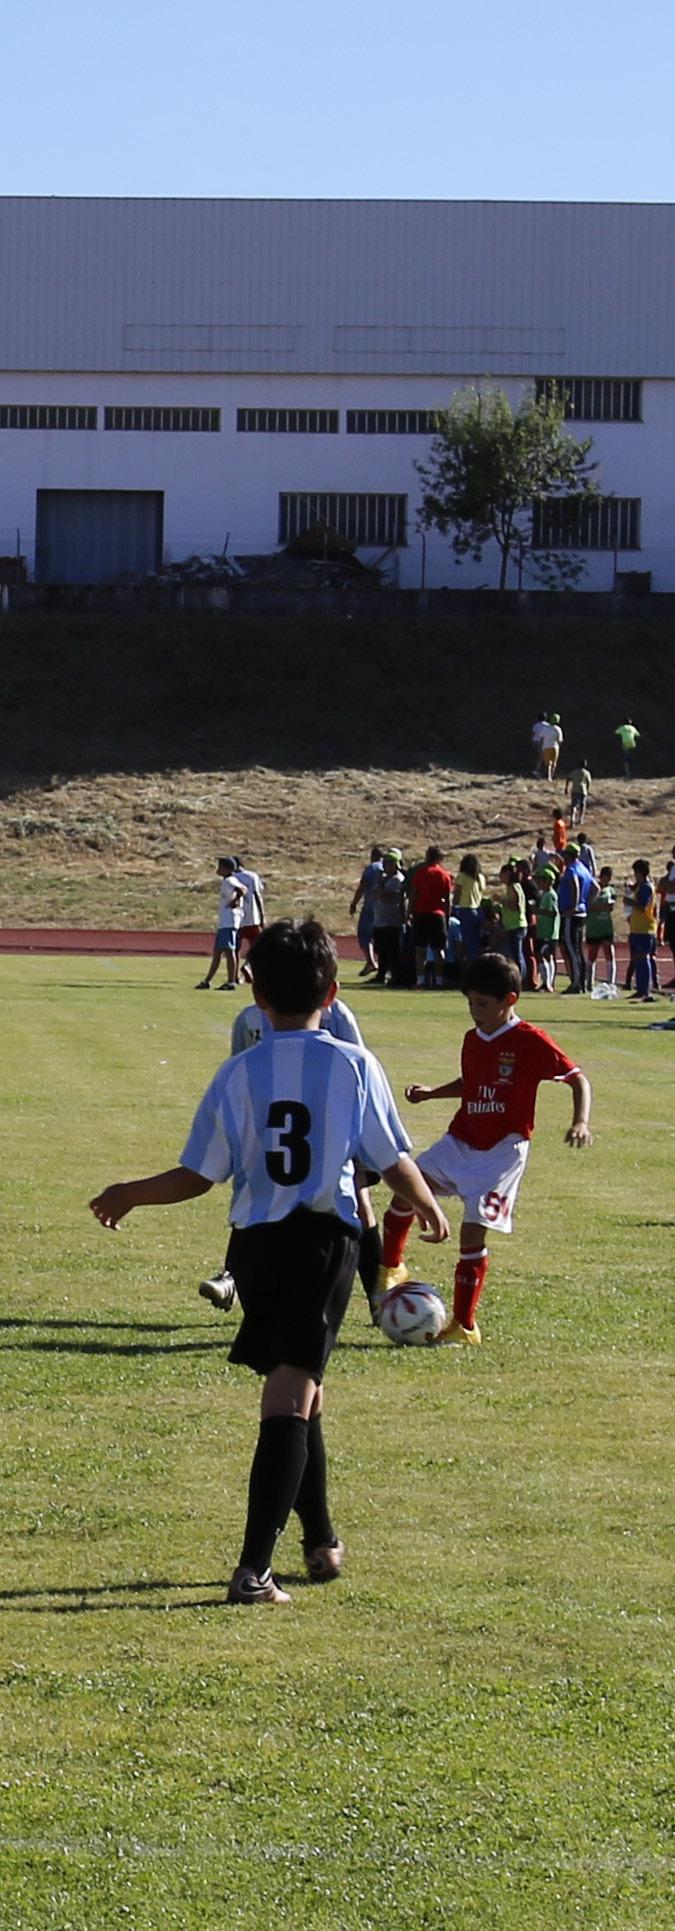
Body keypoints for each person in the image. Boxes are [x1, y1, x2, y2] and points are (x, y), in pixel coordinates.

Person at [90, 919, 449, 1606]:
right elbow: (387, 1155)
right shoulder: (352, 1062)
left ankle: (319, 1538)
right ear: (334, 991)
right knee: (291, 1388)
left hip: (252, 1248)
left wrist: (131, 1192)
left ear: (255, 995)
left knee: (302, 1385)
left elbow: (201, 1172)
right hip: (321, 1244)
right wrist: (427, 1204)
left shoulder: (239, 1070)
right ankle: (253, 1570)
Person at [377, 952, 592, 1344]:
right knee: (406, 1186)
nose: (475, 1012)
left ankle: (464, 1325)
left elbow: (578, 1079)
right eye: (470, 1003)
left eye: (483, 1004)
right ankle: (391, 1267)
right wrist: (432, 1094)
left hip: (502, 1153)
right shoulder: (473, 1039)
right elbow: (473, 1083)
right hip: (461, 1140)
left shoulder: (530, 1040)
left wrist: (580, 1121)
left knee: (472, 1236)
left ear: (510, 1000)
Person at [195, 857, 245, 991]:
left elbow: (242, 889)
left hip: (229, 921)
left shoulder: (230, 880)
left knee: (229, 951)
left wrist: (236, 900)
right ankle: (207, 980)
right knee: (217, 952)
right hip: (225, 921)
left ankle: (231, 982)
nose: (217, 869)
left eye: (220, 866)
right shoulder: (227, 881)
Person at [409, 845, 453, 987]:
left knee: (420, 950)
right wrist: (447, 916)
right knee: (438, 950)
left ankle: (420, 980)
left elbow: (414, 895)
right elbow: (447, 899)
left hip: (421, 914)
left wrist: (409, 911)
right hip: (437, 915)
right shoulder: (445, 876)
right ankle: (439, 981)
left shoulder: (421, 874)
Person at [558, 842, 594, 994]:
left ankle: (576, 983)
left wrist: (574, 906)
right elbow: (596, 888)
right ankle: (582, 983)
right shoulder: (584, 869)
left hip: (571, 915)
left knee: (571, 948)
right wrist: (586, 904)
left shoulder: (571, 870)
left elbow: (575, 885)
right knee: (578, 949)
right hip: (581, 913)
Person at [373, 849, 406, 986]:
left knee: (392, 951)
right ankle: (381, 974)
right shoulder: (386, 879)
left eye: (391, 863)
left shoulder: (396, 879)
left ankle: (395, 976)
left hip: (392, 921)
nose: (387, 866)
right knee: (381, 949)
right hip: (382, 920)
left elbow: (382, 895)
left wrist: (380, 882)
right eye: (386, 863)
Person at [349, 845, 384, 976]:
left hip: (370, 907)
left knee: (365, 935)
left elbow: (362, 887)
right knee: (382, 936)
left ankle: (370, 961)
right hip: (384, 909)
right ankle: (384, 965)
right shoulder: (386, 868)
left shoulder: (371, 869)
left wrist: (354, 903)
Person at [627, 860, 658, 1003]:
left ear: (639, 873)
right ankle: (640, 989)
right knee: (638, 959)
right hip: (638, 928)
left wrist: (629, 902)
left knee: (643, 958)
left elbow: (642, 907)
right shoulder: (642, 886)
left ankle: (645, 990)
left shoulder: (646, 887)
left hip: (644, 929)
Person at [232, 855, 266, 971]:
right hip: (252, 917)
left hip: (236, 918)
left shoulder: (231, 878)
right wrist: (262, 916)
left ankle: (235, 974)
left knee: (235, 948)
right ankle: (248, 965)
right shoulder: (252, 876)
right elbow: (258, 896)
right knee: (256, 947)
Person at [586, 866, 617, 992]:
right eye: (606, 877)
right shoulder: (593, 889)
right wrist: (600, 907)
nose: (608, 880)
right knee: (592, 954)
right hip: (593, 926)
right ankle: (588, 983)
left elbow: (611, 907)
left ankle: (611, 982)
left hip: (606, 927)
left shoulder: (610, 890)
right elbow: (589, 906)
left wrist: (599, 907)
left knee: (609, 952)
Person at [453, 854, 486, 964]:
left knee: (469, 943)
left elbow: (457, 894)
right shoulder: (480, 877)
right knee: (476, 942)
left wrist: (454, 905)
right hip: (479, 910)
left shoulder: (462, 876)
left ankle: (473, 968)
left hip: (466, 910)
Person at [497, 862, 527, 978]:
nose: (500, 877)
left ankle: (520, 979)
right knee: (515, 954)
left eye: (502, 874)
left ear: (508, 873)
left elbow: (516, 906)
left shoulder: (513, 887)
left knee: (517, 955)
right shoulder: (514, 886)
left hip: (516, 925)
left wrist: (502, 900)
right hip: (512, 925)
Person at [534, 867, 560, 991]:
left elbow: (554, 913)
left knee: (544, 955)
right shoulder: (545, 895)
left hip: (548, 932)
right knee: (545, 955)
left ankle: (548, 983)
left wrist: (538, 911)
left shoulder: (550, 895)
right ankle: (547, 982)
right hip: (543, 930)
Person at [657, 846, 675, 987]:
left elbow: (669, 886)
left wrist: (667, 885)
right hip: (671, 908)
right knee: (672, 943)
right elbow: (662, 885)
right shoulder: (673, 868)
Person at [565, 760, 592, 827]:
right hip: (583, 790)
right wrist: (587, 789)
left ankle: (572, 819)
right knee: (582, 805)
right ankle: (580, 819)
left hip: (574, 790)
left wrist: (566, 787)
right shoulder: (587, 773)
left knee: (574, 805)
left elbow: (568, 778)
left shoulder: (574, 772)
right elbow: (589, 782)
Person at [540, 713, 564, 781]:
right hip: (555, 747)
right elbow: (560, 740)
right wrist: (559, 746)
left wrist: (542, 745)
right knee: (554, 763)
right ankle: (552, 775)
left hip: (546, 747)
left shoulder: (545, 728)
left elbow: (541, 737)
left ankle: (548, 776)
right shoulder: (558, 729)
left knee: (548, 763)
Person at [531, 711, 548, 776]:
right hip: (543, 742)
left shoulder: (536, 725)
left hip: (535, 741)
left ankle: (537, 769)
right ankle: (537, 770)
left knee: (537, 756)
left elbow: (533, 733)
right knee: (541, 757)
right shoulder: (547, 725)